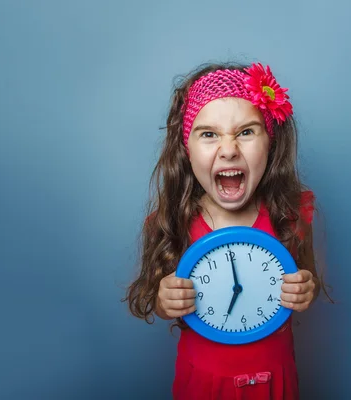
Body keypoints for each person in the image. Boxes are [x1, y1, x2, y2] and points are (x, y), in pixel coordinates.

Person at [125, 61, 331, 399]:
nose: (229, 148)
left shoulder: (293, 217)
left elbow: (308, 277)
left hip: (274, 382)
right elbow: (159, 300)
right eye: (209, 134)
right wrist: (165, 299)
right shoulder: (171, 222)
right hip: (204, 384)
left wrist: (306, 288)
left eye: (246, 131)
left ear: (271, 143)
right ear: (186, 150)